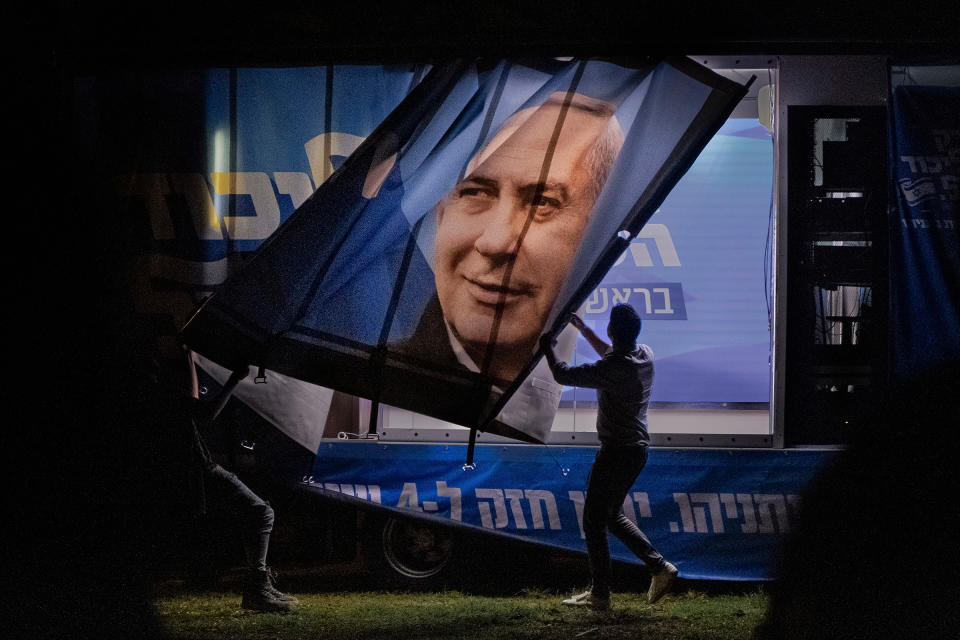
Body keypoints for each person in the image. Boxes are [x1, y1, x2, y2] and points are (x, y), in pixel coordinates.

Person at [400, 92, 624, 390]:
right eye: (475, 192)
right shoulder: (381, 371)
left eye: (542, 202)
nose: (494, 242)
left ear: (604, 232)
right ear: (440, 214)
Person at [540, 304, 677, 610]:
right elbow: (611, 354)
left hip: (617, 453)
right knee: (609, 516)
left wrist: (547, 347)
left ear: (612, 331)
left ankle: (601, 595)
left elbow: (562, 374)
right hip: (636, 451)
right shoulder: (645, 354)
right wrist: (584, 330)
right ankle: (658, 568)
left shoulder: (614, 367)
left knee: (593, 521)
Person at [163, 345, 298, 612]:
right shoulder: (161, 393)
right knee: (262, 512)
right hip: (199, 469)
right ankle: (258, 589)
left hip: (195, 469)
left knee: (253, 514)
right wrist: (235, 378)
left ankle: (258, 586)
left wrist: (191, 358)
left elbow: (193, 402)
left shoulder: (153, 392)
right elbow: (207, 413)